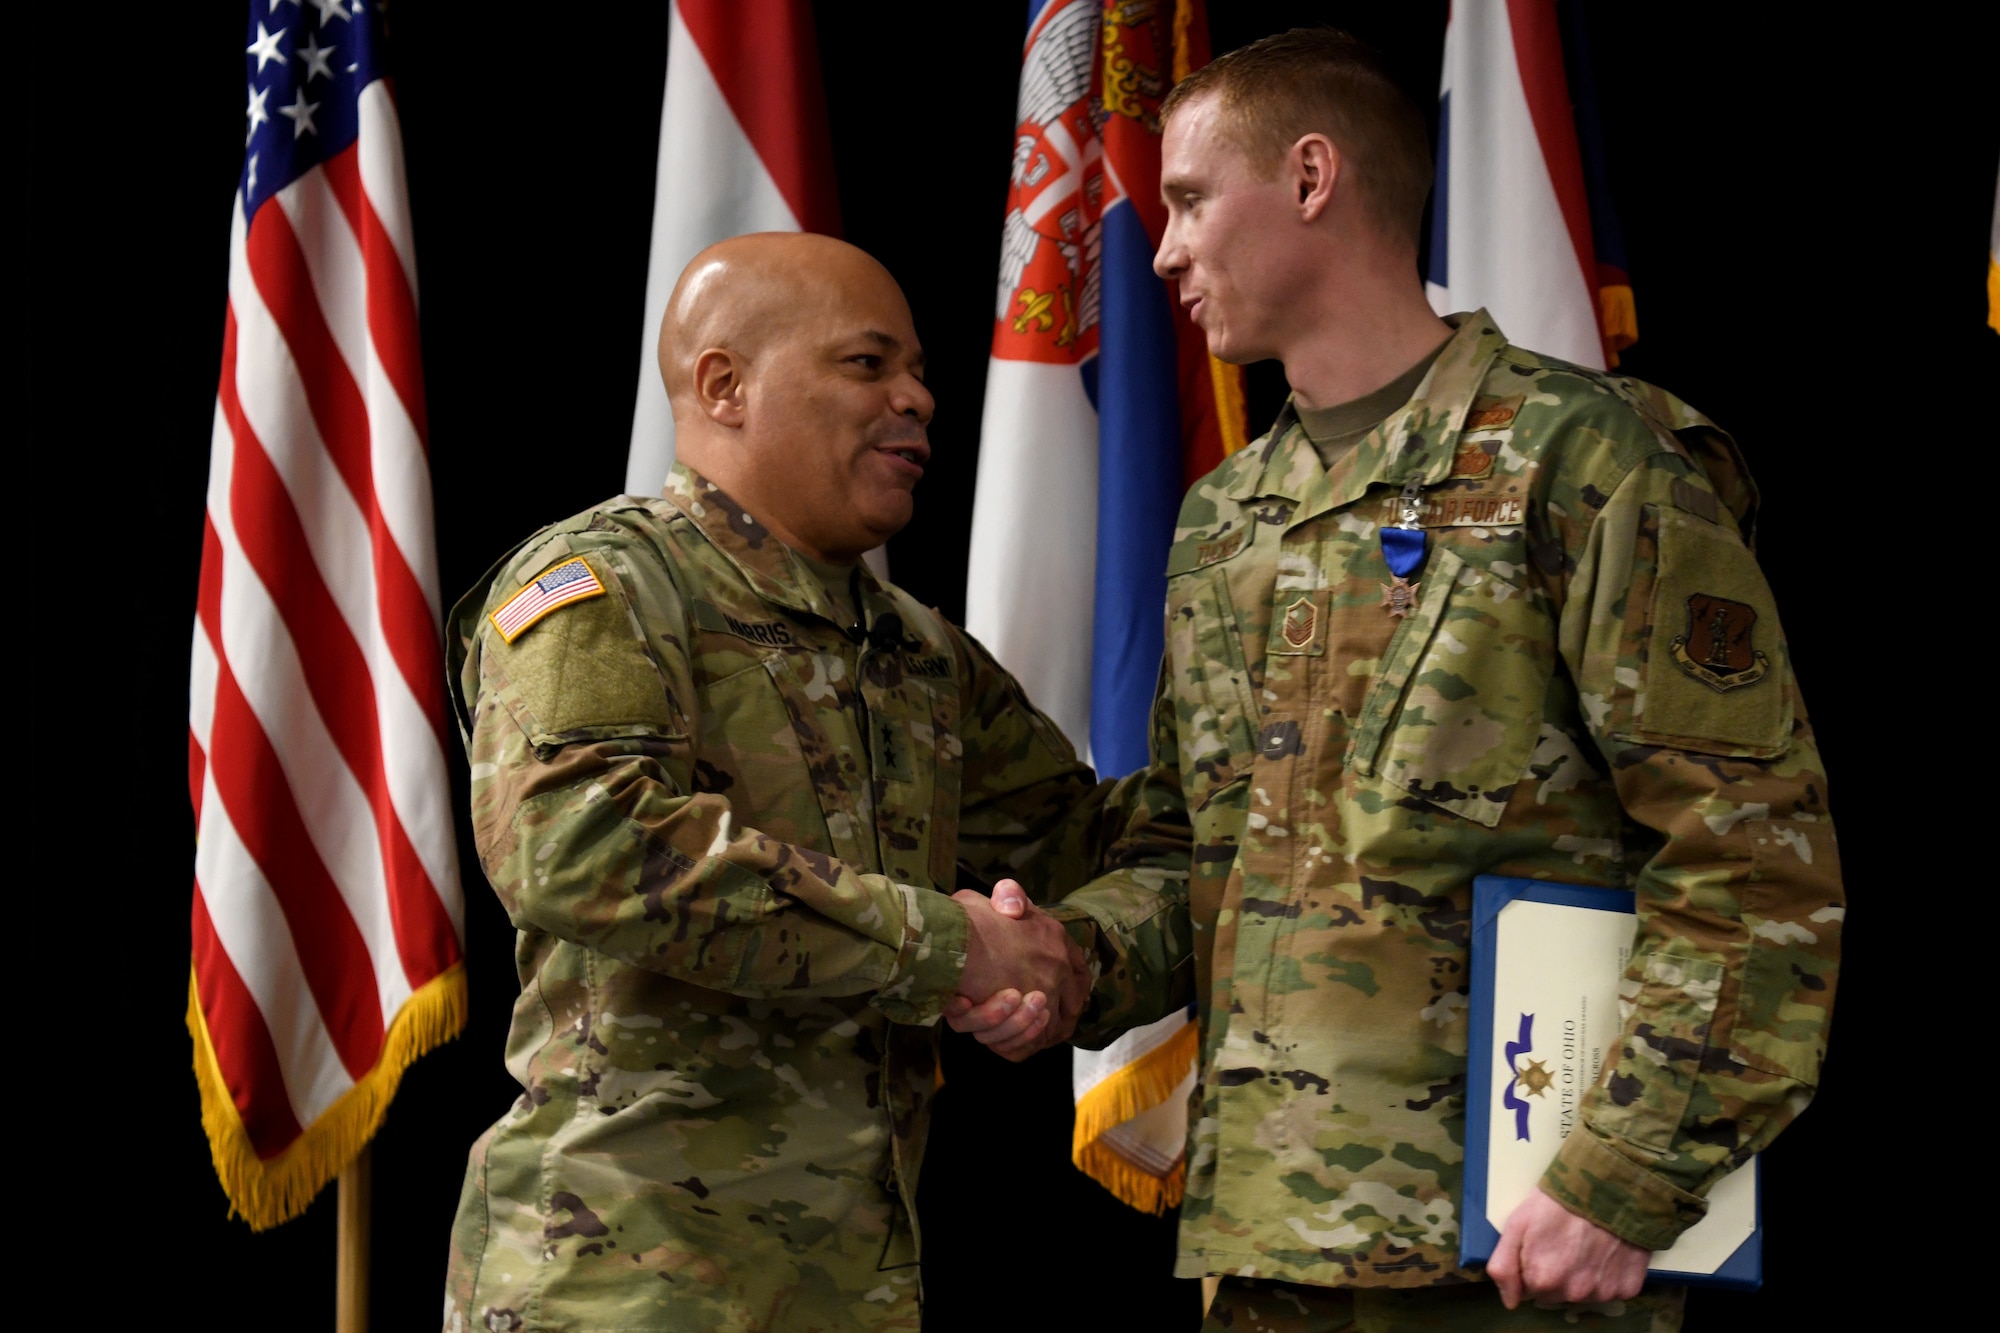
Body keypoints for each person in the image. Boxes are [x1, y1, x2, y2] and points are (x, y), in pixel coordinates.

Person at [950, 29, 1844, 1331]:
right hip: (1267, 1253)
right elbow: (1202, 859)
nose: (1162, 250)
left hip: (1518, 1255)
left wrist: (1626, 1178)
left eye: (1191, 198)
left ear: (1311, 179)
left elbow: (1753, 860)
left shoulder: (1577, 460)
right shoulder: (1225, 520)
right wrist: (1070, 960)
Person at [440, 233, 1103, 1332]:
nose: (917, 400)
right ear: (723, 384)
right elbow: (582, 847)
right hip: (616, 1288)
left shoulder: (919, 654)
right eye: (867, 364)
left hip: (858, 1291)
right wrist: (948, 945)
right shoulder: (605, 584)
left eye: (920, 371)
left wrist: (1067, 963)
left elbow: (1093, 845)